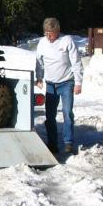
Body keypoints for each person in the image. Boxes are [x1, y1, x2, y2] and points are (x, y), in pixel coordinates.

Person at [35, 17, 83, 154]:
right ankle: (52, 144)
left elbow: (76, 62)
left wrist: (78, 82)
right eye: (46, 32)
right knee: (50, 116)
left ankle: (68, 142)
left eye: (51, 32)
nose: (48, 35)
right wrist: (39, 77)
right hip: (50, 84)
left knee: (67, 113)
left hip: (66, 82)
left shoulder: (67, 40)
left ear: (58, 30)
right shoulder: (42, 43)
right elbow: (39, 62)